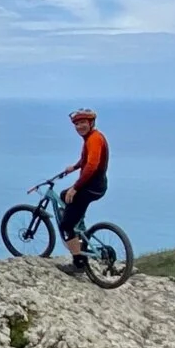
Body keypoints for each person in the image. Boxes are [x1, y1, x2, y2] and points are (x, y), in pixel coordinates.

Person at [58, 107, 109, 271]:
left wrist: (75, 187)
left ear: (91, 123)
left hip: (90, 188)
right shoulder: (92, 137)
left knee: (66, 225)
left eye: (83, 123)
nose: (79, 126)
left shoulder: (94, 139)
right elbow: (86, 159)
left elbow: (92, 166)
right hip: (98, 185)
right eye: (77, 124)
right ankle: (79, 226)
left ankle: (78, 263)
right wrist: (74, 167)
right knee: (64, 194)